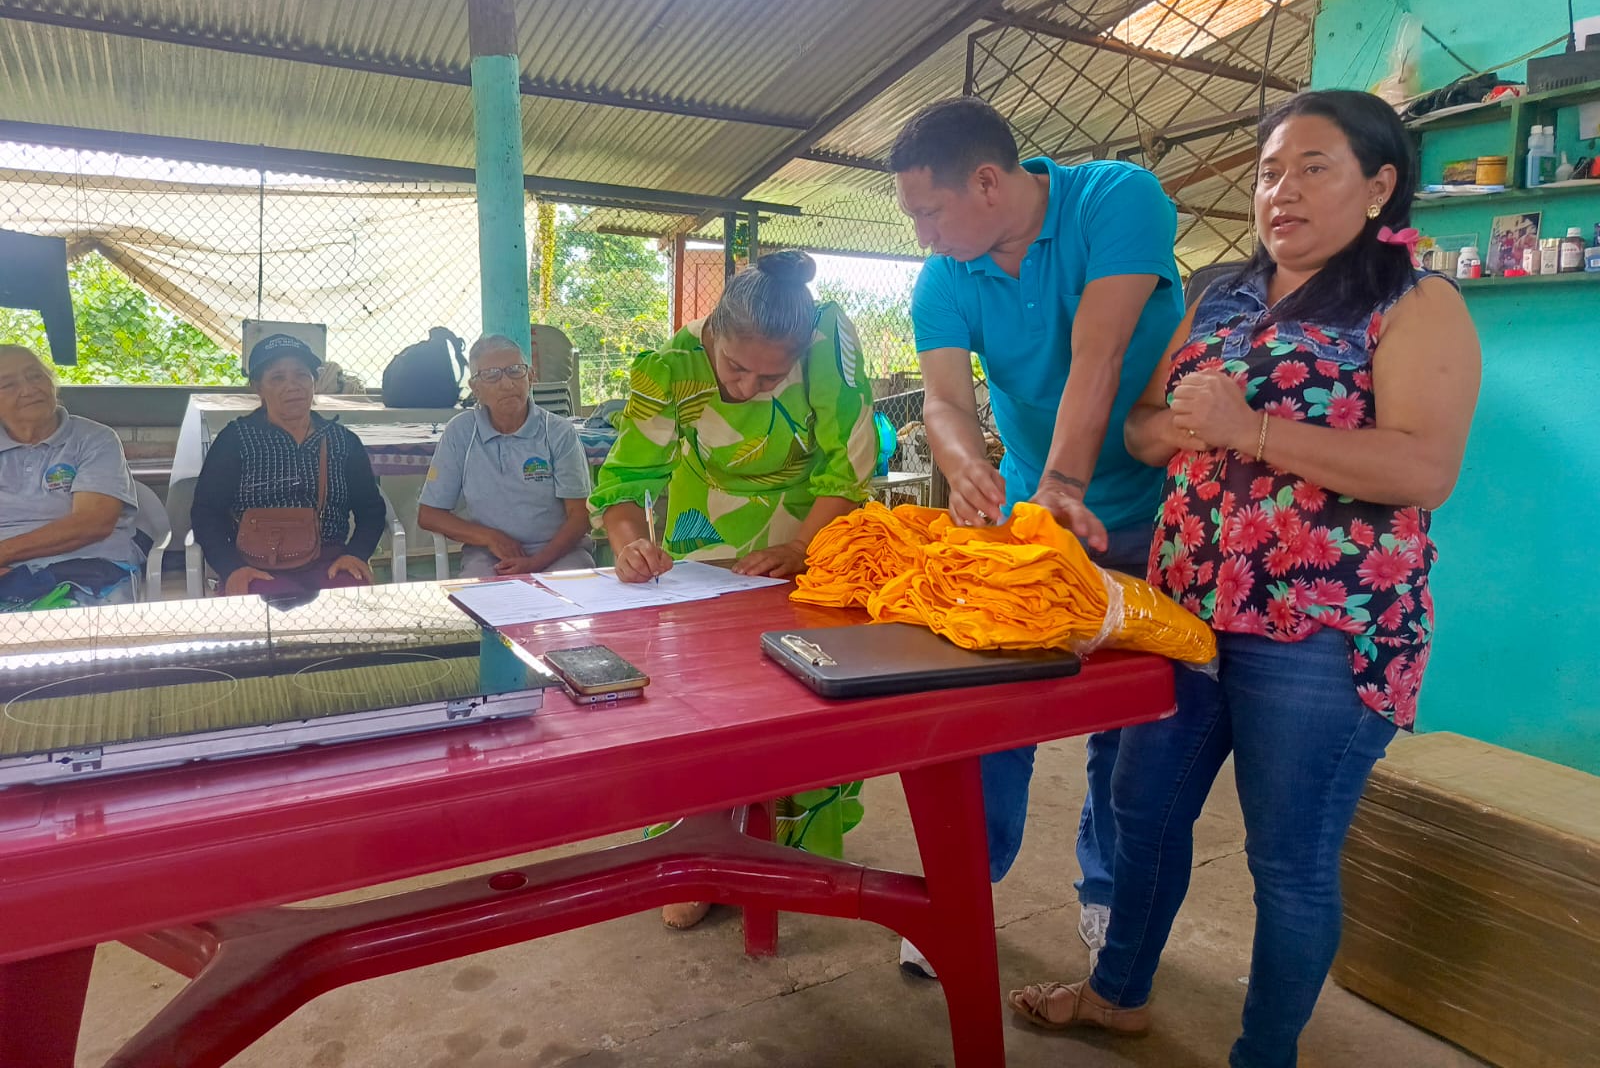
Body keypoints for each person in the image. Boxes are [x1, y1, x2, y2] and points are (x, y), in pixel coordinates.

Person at [1006, 90, 1481, 1068]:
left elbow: (1424, 469)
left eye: (1313, 168)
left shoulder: (1413, 302)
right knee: (1141, 815)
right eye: (1268, 172)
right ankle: (1117, 997)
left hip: (1323, 630)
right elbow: (1144, 426)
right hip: (1187, 612)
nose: (1281, 191)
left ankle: (1264, 1055)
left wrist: (1251, 430)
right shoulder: (1220, 292)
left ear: (1378, 185)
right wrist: (1176, 427)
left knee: (1287, 860)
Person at [891, 96, 1184, 975]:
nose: (923, 236)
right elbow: (945, 402)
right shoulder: (945, 278)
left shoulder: (1117, 199)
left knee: (1129, 729)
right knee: (991, 708)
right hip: (1034, 513)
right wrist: (967, 467)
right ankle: (962, 894)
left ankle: (1108, 898)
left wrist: (1063, 486)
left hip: (1155, 512)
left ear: (988, 182)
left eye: (929, 213)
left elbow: (1100, 353)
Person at [591, 248, 876, 929]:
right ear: (713, 332)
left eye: (770, 376)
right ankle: (697, 846)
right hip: (704, 534)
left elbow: (848, 469)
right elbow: (625, 483)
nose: (748, 388)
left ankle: (791, 845)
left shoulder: (827, 342)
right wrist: (630, 544)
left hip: (812, 529)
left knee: (808, 687)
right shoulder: (672, 366)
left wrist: (800, 548)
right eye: (735, 367)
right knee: (701, 694)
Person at [192, 334, 386, 598]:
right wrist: (232, 568)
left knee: (350, 600)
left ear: (314, 382)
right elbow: (206, 512)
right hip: (255, 565)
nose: (292, 386)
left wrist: (356, 554)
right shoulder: (236, 439)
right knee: (261, 605)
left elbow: (371, 509)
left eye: (302, 375)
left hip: (329, 561)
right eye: (277, 378)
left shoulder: (342, 441)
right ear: (258, 387)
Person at [418, 334, 594, 577]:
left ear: (531, 377)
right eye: (492, 375)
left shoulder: (558, 432)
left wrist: (536, 563)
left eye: (515, 371)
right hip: (489, 555)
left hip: (559, 553)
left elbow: (580, 515)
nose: (507, 384)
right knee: (482, 594)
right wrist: (489, 537)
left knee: (571, 588)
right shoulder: (461, 432)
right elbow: (429, 514)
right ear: (475, 387)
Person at [0, 344, 143, 606]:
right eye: (8, 385)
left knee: (81, 628)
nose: (29, 390)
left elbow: (93, 522)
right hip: (6, 574)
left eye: (35, 376)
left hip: (88, 571)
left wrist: (5, 552)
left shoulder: (94, 439)